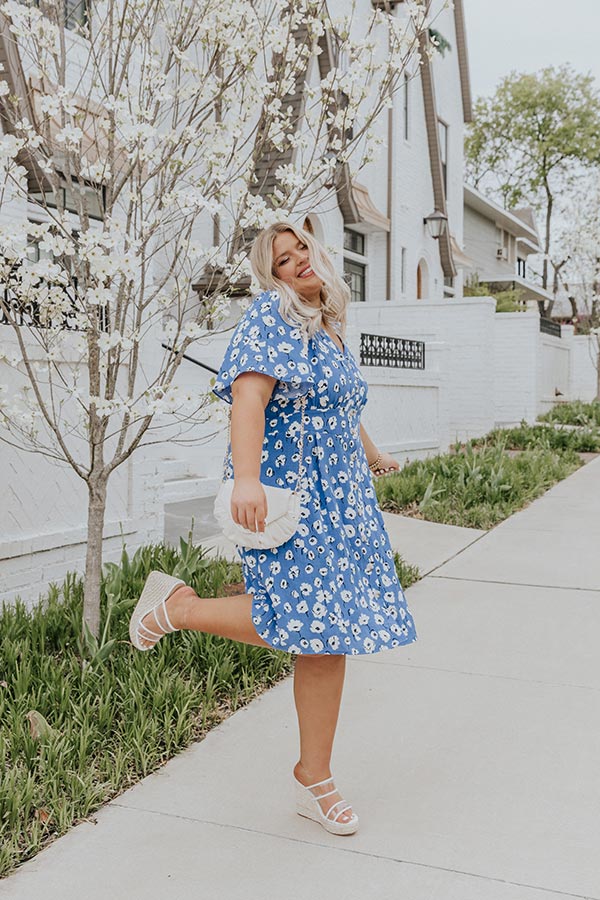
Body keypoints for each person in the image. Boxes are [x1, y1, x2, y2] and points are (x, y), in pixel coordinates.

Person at [129, 221, 417, 836]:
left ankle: (315, 776)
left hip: (344, 500)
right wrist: (248, 481)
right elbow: (249, 400)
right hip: (296, 494)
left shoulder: (329, 324)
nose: (297, 263)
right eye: (283, 261)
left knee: (328, 633)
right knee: (299, 619)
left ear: (317, 252)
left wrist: (371, 451)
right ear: (274, 275)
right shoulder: (272, 315)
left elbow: (335, 404)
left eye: (302, 250)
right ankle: (179, 607)